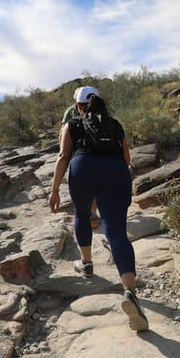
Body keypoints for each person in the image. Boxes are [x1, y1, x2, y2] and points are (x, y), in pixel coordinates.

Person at [49, 86, 149, 333]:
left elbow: (63, 155)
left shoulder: (71, 123)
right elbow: (127, 159)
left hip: (83, 167)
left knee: (82, 214)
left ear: (79, 105)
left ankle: (87, 263)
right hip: (116, 171)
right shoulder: (115, 124)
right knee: (116, 233)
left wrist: (53, 190)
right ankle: (129, 292)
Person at [59, 88, 101, 229]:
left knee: (81, 185)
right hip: (90, 150)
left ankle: (88, 214)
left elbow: (63, 130)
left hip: (78, 151)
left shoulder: (70, 111)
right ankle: (90, 214)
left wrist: (62, 150)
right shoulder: (99, 110)